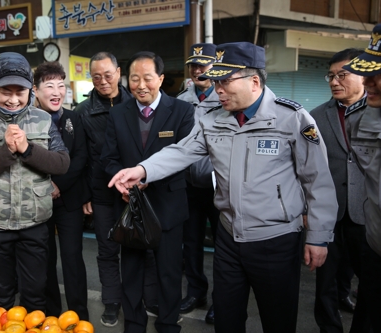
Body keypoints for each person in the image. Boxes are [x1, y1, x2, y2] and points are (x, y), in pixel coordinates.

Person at [108, 42, 338, 333]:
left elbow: (317, 180)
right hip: (228, 238)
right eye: (216, 81)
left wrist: (318, 236)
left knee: (277, 320)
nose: (218, 90)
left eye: (226, 82)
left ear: (254, 81)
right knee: (227, 320)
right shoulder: (212, 119)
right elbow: (181, 152)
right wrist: (142, 170)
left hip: (275, 239)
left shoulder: (292, 119)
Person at [0, 52, 70, 312]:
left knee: (35, 294)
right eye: (5, 91)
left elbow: (62, 163)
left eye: (20, 91)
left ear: (30, 90)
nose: (13, 99)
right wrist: (5, 151)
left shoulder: (43, 119)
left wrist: (27, 149)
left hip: (34, 224)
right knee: (0, 296)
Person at [101, 51, 195, 333]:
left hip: (168, 204)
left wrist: (147, 177)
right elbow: (108, 159)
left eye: (148, 78)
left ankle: (167, 323)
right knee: (131, 271)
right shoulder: (118, 114)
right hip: (130, 207)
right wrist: (122, 181)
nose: (141, 85)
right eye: (135, 78)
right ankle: (134, 323)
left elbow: (187, 158)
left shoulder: (181, 111)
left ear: (161, 79)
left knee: (168, 271)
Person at [75, 52, 158, 326]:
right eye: (96, 76)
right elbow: (82, 157)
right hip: (101, 192)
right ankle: (112, 301)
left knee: (142, 246)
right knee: (107, 249)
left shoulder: (136, 102)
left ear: (119, 73)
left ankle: (148, 297)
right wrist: (86, 195)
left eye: (107, 75)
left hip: (136, 189)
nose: (102, 81)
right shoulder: (83, 112)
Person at [310, 48, 371, 333]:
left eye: (342, 75)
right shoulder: (315, 117)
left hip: (369, 212)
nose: (335, 81)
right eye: (331, 76)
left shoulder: (377, 111)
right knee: (326, 281)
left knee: (370, 281)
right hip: (329, 212)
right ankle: (329, 328)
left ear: (364, 76)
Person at [33, 61, 89, 320]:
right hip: (37, 200)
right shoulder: (27, 121)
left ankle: (79, 315)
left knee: (72, 258)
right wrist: (47, 184)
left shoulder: (74, 118)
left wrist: (59, 184)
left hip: (69, 200)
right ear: (35, 90)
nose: (57, 91)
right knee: (44, 260)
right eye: (49, 86)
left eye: (61, 85)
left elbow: (80, 157)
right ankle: (51, 314)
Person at [176, 42, 221, 323]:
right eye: (194, 65)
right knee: (190, 242)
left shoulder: (226, 96)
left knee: (223, 246)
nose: (198, 69)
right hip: (189, 185)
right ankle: (196, 291)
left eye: (204, 64)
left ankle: (222, 299)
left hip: (220, 187)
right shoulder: (181, 100)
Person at [343, 23, 381, 332]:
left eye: (377, 73)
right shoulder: (359, 118)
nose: (368, 82)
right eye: (366, 72)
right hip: (376, 249)